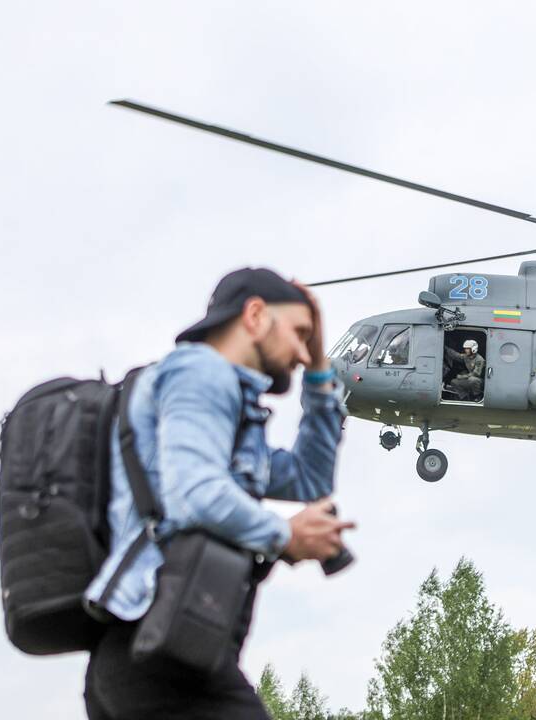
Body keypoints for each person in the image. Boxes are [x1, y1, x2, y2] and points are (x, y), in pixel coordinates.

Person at [83, 267, 354, 719]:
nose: (301, 351)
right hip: (161, 653)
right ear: (255, 316)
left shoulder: (230, 414)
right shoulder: (202, 371)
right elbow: (195, 493)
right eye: (299, 333)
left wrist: (321, 369)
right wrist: (284, 535)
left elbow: (311, 479)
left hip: (167, 648)